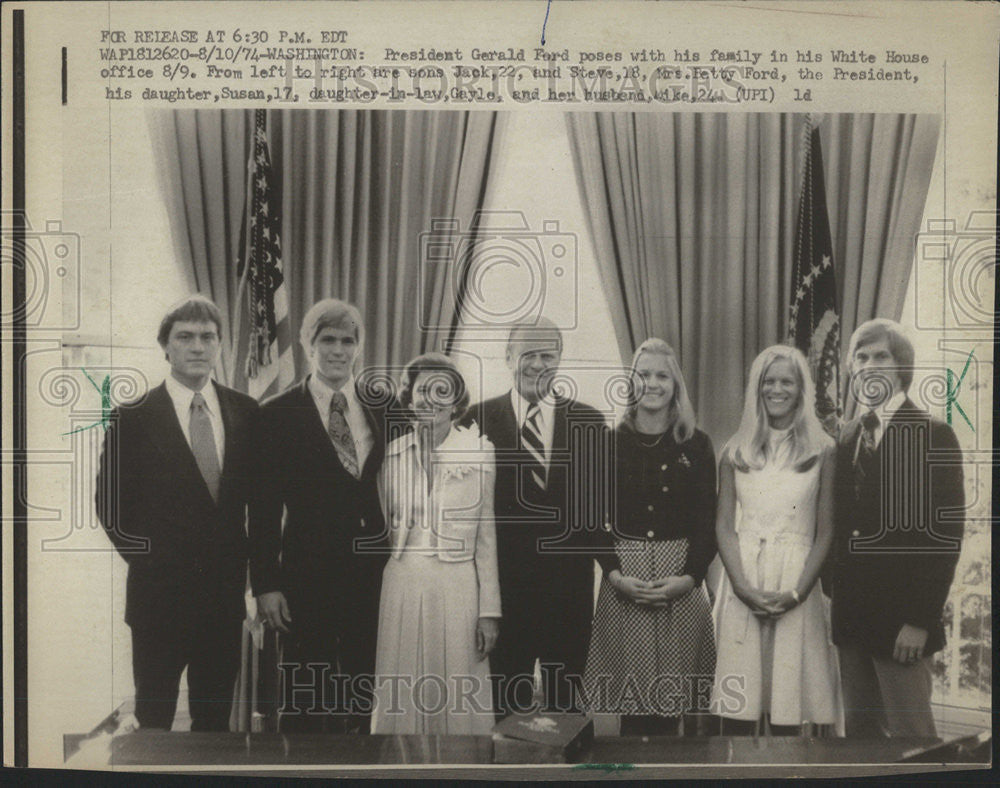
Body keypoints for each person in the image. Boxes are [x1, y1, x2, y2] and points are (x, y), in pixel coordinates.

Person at [95, 295, 258, 731]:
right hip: (158, 600)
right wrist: (150, 562)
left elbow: (260, 505)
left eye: (208, 337)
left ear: (220, 345)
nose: (198, 346)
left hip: (223, 601)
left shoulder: (246, 412)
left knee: (213, 722)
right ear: (165, 346)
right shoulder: (133, 416)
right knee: (154, 719)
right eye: (185, 336)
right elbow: (109, 506)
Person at [249, 299, 388, 733]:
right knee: (309, 697)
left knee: (366, 693)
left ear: (359, 347)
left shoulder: (384, 405)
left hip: (375, 575)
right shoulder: (276, 413)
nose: (338, 350)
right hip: (307, 578)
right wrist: (266, 585)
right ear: (308, 345)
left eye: (348, 340)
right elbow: (264, 510)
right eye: (327, 339)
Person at [464, 318, 609, 717]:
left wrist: (615, 570)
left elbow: (596, 516)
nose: (537, 363)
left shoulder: (589, 422)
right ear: (508, 356)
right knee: (506, 714)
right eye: (528, 353)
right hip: (504, 600)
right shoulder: (474, 420)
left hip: (569, 598)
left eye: (548, 354)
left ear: (560, 359)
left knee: (563, 715)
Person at [831, 319, 964, 738]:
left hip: (902, 625)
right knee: (861, 742)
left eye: (881, 356)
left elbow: (945, 539)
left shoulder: (934, 435)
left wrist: (920, 619)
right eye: (861, 357)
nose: (870, 365)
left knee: (913, 742)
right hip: (851, 620)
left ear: (901, 365)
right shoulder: (848, 435)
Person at [584, 339, 717, 736]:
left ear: (675, 384)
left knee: (678, 709)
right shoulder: (610, 441)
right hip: (627, 579)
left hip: (681, 578)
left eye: (662, 375)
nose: (653, 383)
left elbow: (707, 520)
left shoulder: (697, 443)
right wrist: (615, 575)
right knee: (634, 709)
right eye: (644, 375)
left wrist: (690, 578)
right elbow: (593, 521)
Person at [711, 345, 840, 733]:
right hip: (742, 582)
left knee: (788, 707)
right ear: (757, 388)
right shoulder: (734, 451)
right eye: (769, 381)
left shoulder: (823, 451)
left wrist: (798, 593)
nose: (777, 389)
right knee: (737, 708)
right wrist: (741, 586)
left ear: (802, 390)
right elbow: (724, 527)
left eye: (787, 381)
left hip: (797, 582)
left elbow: (826, 531)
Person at [370, 353, 500, 734]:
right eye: (422, 390)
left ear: (457, 402)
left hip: (459, 587)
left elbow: (487, 537)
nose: (431, 400)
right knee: (402, 686)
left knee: (459, 686)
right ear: (409, 398)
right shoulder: (390, 456)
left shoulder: (479, 452)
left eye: (443, 391)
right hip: (402, 584)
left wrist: (489, 609)